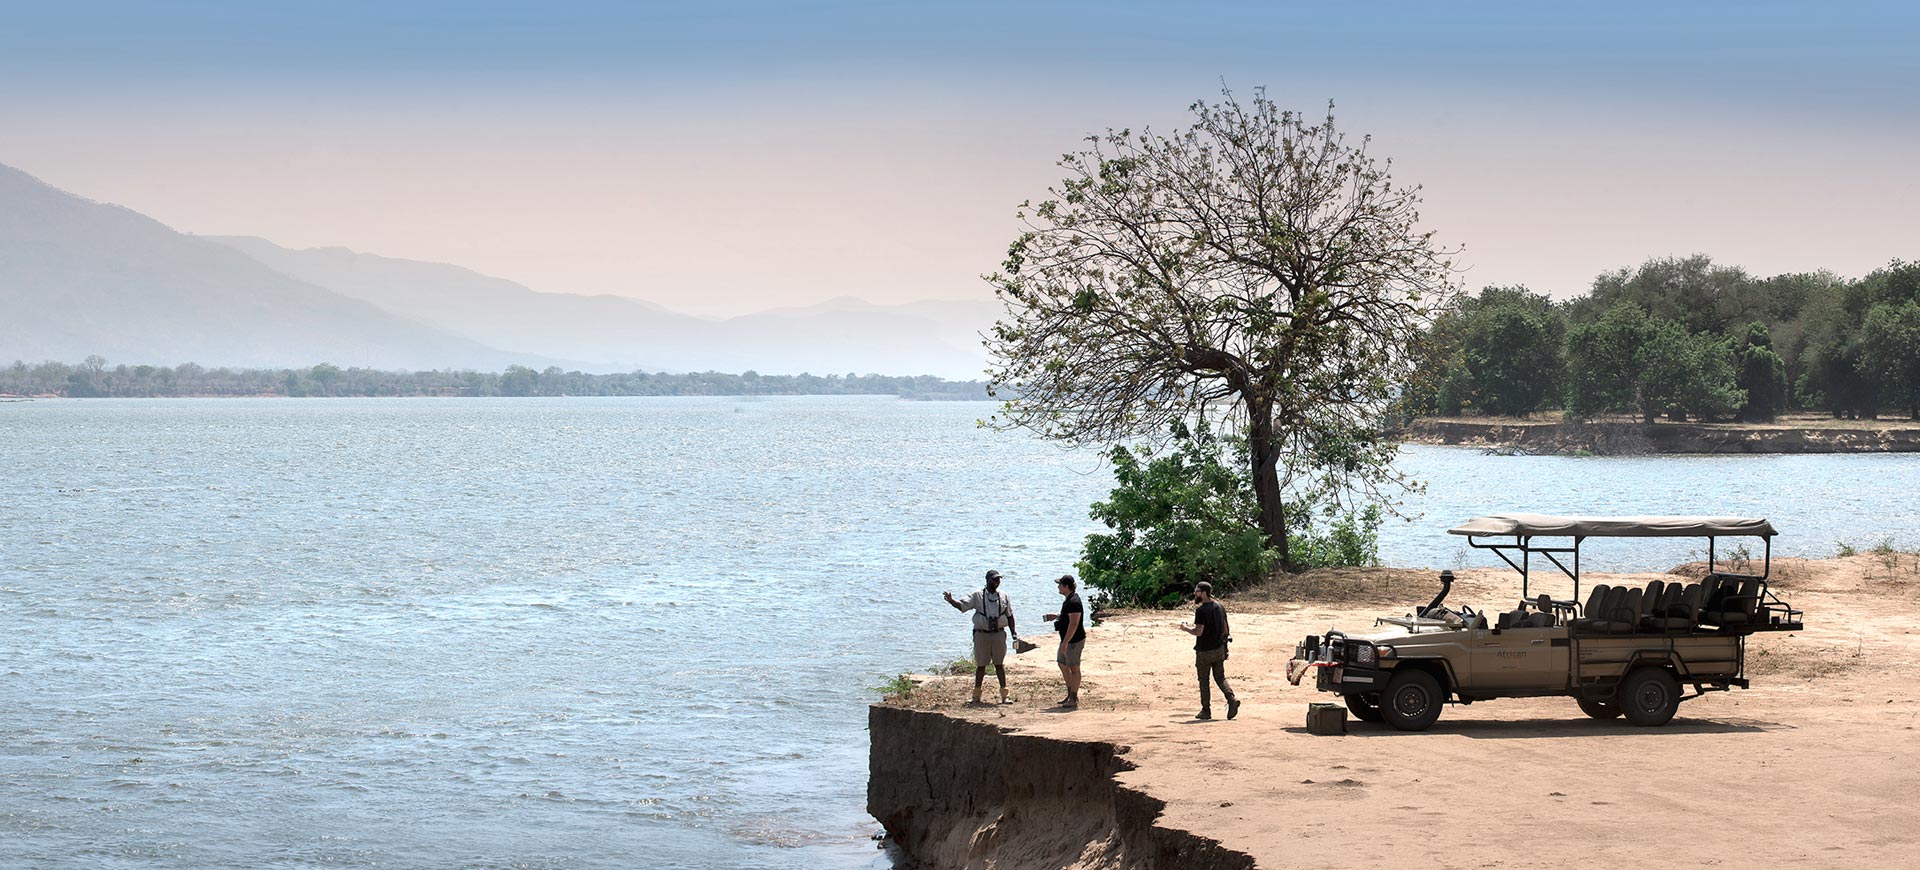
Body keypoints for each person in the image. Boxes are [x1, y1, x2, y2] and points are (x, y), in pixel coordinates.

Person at [943, 570, 1018, 704]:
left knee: (999, 665)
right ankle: (976, 696)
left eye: (998, 580)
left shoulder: (1004, 596)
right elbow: (962, 606)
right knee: (981, 665)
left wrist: (1013, 633)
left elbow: (1010, 616)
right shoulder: (977, 595)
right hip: (981, 634)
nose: (997, 582)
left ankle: (1005, 695)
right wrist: (950, 601)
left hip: (998, 634)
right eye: (994, 579)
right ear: (987, 580)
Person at [1179, 581, 1239, 720]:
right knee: (1220, 678)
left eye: (1197, 591)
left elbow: (1199, 631)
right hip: (1219, 649)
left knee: (1204, 680)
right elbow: (1226, 629)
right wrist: (1225, 648)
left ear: (1204, 593)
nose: (1195, 593)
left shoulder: (1201, 610)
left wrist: (1185, 628)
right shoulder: (1219, 606)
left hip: (1204, 651)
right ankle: (1232, 699)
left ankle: (1206, 710)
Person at [1042, 574, 1086, 708]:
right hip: (1066, 640)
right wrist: (1057, 616)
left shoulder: (1074, 602)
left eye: (1060, 584)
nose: (1058, 587)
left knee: (1074, 668)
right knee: (1061, 663)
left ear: (1066, 586)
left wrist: (1065, 643)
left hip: (1074, 641)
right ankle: (1070, 693)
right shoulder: (1069, 600)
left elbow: (1074, 624)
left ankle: (1073, 697)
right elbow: (1069, 618)